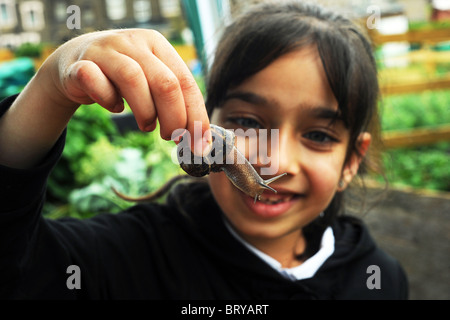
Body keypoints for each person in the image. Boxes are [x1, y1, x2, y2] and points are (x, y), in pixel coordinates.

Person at [0, 1, 408, 299]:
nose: (276, 160)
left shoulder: (380, 279)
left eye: (319, 135)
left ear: (352, 161)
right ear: (201, 120)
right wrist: (50, 91)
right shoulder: (127, 260)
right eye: (247, 123)